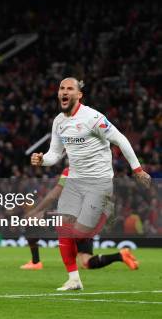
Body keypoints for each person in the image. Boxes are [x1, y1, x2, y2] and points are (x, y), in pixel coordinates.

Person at [31, 77, 150, 291]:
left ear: (79, 95)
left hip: (99, 182)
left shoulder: (93, 118)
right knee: (63, 226)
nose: (64, 92)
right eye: (61, 88)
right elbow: (55, 154)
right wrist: (42, 160)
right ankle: (74, 279)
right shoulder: (59, 121)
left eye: (69, 89)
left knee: (78, 231)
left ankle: (105, 213)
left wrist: (137, 169)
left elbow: (121, 139)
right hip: (76, 182)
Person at [21, 167, 140, 274]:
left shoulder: (70, 171)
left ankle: (36, 262)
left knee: (30, 220)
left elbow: (54, 195)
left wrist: (35, 211)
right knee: (86, 262)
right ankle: (120, 256)